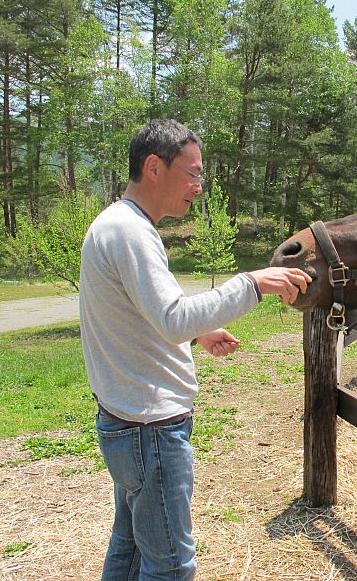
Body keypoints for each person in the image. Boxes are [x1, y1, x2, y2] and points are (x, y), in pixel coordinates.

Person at [79, 119, 311, 580]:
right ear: (153, 167)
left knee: (128, 555)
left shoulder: (116, 224)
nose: (199, 187)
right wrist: (252, 284)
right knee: (170, 566)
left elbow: (141, 314)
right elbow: (171, 317)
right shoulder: (131, 232)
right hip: (151, 429)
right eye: (192, 173)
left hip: (126, 423)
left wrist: (195, 334)